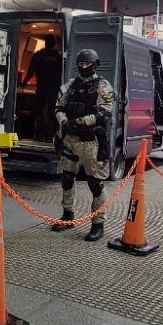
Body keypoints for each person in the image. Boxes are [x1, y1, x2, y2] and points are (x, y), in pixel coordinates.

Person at [51, 49, 115, 242]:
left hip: (91, 141)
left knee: (95, 183)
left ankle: (98, 224)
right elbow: (58, 107)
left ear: (95, 64)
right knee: (67, 178)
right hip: (69, 139)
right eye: (81, 64)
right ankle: (68, 215)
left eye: (88, 64)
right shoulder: (69, 86)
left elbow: (106, 113)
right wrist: (64, 122)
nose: (84, 67)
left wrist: (81, 121)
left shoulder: (103, 86)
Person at [20, 34, 62, 141]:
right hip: (55, 88)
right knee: (53, 112)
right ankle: (51, 135)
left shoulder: (39, 55)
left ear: (45, 42)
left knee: (38, 111)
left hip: (42, 87)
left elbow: (30, 72)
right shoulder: (59, 56)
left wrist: (22, 84)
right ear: (54, 44)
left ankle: (40, 135)